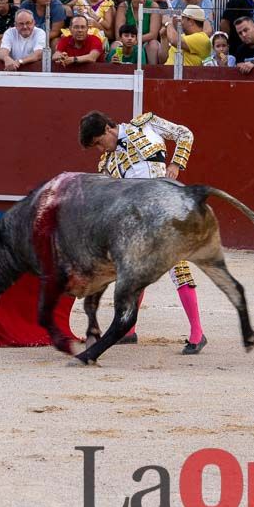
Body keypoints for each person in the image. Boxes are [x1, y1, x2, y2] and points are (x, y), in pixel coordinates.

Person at [78, 109, 206, 353]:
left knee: (177, 268)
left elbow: (184, 134)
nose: (100, 150)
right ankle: (128, 329)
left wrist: (177, 164)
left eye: (98, 143)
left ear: (108, 129)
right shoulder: (107, 163)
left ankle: (197, 334)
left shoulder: (147, 124)